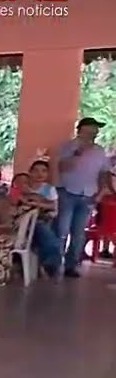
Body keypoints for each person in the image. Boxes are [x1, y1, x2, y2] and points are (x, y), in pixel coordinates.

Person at [55, 117, 110, 278]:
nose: (95, 132)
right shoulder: (67, 147)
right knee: (61, 230)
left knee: (79, 233)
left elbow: (103, 173)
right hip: (67, 192)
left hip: (88, 195)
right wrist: (78, 153)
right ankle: (55, 264)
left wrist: (100, 193)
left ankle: (71, 266)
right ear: (82, 130)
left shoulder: (100, 151)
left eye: (97, 130)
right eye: (92, 128)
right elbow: (62, 168)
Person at [17, 159, 63, 276]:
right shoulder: (22, 187)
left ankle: (51, 265)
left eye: (43, 171)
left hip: (41, 220)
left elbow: (54, 209)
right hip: (20, 221)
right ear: (30, 172)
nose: (39, 174)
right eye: (36, 171)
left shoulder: (49, 189)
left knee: (44, 232)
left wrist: (36, 205)